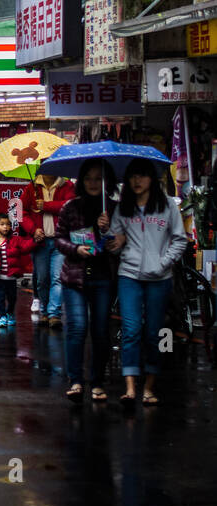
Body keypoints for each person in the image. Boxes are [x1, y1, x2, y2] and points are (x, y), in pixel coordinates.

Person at [107, 159, 189, 406]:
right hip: (129, 276)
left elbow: (180, 240)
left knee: (154, 333)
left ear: (152, 179)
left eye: (142, 176)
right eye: (133, 176)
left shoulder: (167, 207)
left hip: (159, 279)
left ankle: (150, 387)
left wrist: (163, 263)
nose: (137, 181)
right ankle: (131, 388)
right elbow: (112, 245)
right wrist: (110, 237)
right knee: (131, 331)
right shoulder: (124, 209)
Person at [53, 161, 117, 403]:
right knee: (78, 327)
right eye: (88, 178)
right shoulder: (70, 207)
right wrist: (75, 248)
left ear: (107, 182)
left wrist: (109, 229)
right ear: (81, 181)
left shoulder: (114, 208)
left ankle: (98, 382)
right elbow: (59, 239)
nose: (93, 183)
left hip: (103, 277)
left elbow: (120, 243)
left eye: (98, 178)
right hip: (75, 277)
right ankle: (76, 380)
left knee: (100, 331)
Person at [20, 173, 76, 327]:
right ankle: (45, 311)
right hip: (41, 242)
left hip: (60, 240)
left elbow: (70, 205)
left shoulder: (67, 185)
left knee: (57, 278)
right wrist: (33, 230)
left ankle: (54, 314)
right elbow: (21, 213)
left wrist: (46, 205)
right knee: (42, 279)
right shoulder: (32, 188)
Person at [0, 214, 34, 330]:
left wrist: (35, 240)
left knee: (12, 298)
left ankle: (10, 313)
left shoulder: (15, 240)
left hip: (11, 277)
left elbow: (25, 247)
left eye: (8, 224)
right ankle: (2, 317)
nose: (5, 227)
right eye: (2, 224)